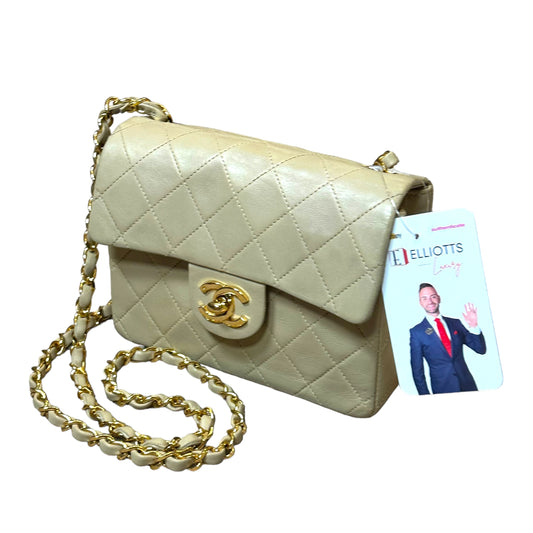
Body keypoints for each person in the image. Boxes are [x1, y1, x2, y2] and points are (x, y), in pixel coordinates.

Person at [409, 283, 486, 395]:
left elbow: (480, 349)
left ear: (439, 298)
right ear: (420, 302)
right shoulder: (417, 332)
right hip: (442, 389)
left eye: (433, 296)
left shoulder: (455, 323)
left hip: (468, 386)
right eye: (424, 298)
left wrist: (474, 326)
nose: (430, 301)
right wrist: (425, 397)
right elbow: (417, 370)